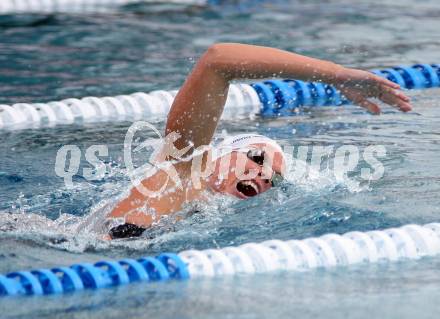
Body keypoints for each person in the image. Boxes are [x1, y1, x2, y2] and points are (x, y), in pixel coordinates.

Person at [106, 43, 412, 239]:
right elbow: (218, 60)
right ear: (216, 156)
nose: (264, 175)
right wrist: (335, 74)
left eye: (274, 179)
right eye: (256, 157)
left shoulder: (199, 215)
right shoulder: (182, 172)